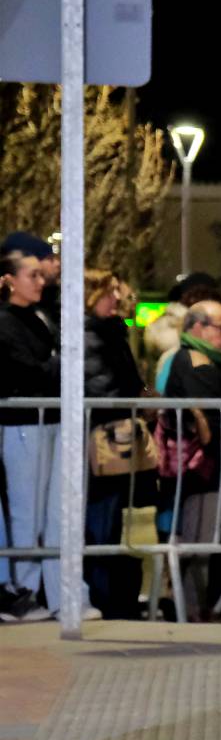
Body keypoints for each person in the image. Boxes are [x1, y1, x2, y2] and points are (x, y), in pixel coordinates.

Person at [162, 301, 221, 619]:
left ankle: (192, 606)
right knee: (198, 541)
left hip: (212, 468)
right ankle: (189, 608)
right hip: (207, 471)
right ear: (198, 327)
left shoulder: (206, 360)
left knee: (201, 540)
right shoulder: (195, 362)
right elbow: (214, 422)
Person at [0, 251, 64, 618]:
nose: (41, 282)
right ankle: (22, 589)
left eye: (42, 275)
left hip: (45, 419)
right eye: (33, 276)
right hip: (23, 424)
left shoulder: (38, 318)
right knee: (27, 511)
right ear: (10, 280)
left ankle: (39, 589)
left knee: (47, 513)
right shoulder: (6, 322)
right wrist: (56, 364)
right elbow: (28, 371)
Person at [80, 269, 147, 617]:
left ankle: (107, 595)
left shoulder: (112, 331)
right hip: (99, 437)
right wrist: (133, 398)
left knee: (110, 521)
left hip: (112, 433)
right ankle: (99, 595)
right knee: (99, 522)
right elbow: (102, 386)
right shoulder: (90, 334)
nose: (118, 298)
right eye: (110, 291)